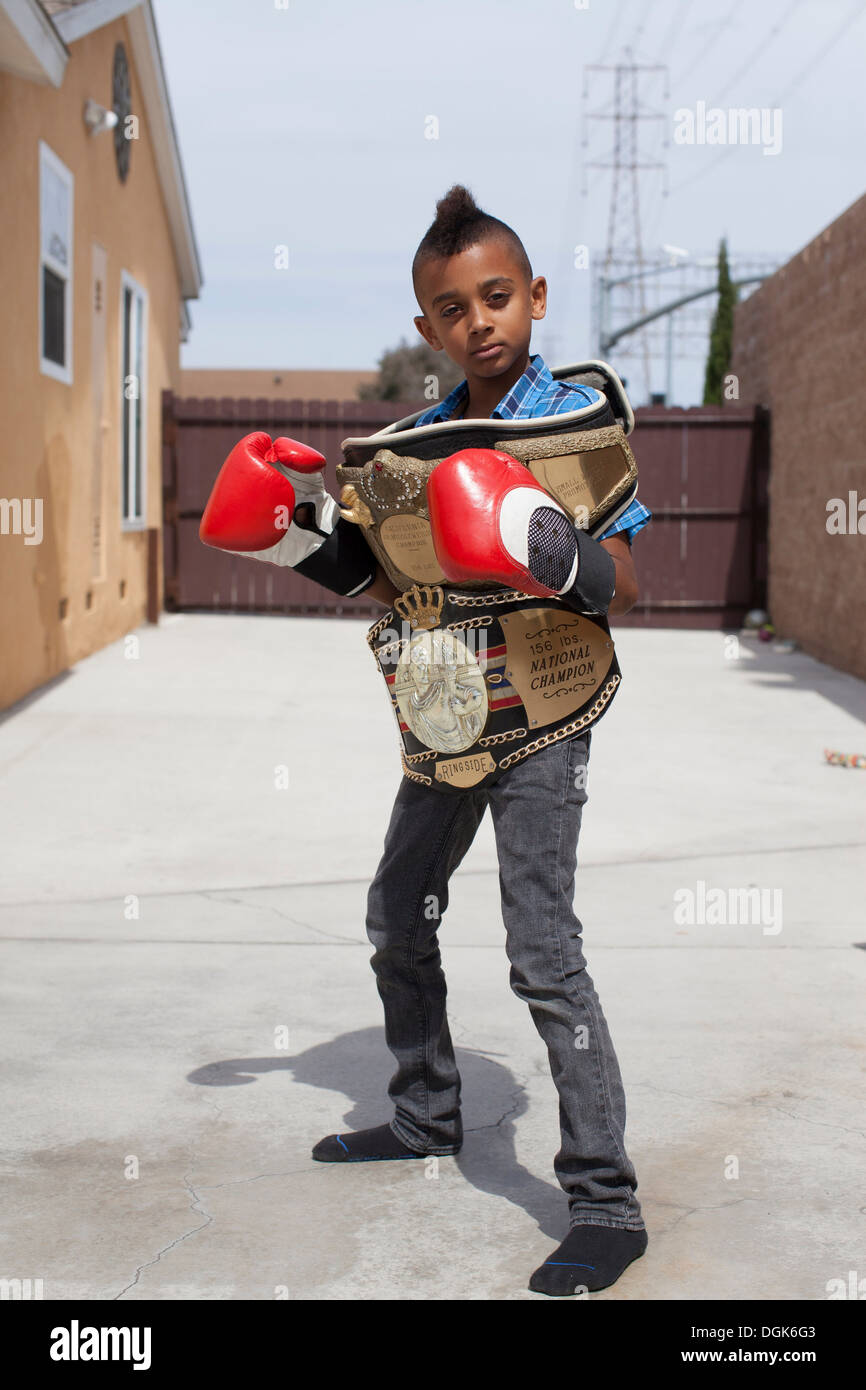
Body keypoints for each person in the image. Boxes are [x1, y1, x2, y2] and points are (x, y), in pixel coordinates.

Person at [199, 184, 652, 1297]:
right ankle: (424, 1112)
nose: (478, 322)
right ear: (426, 328)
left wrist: (542, 543)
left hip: (542, 717)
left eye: (496, 297)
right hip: (446, 717)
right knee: (398, 911)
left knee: (541, 953)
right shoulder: (411, 447)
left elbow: (628, 582)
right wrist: (297, 530)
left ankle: (605, 1200)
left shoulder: (572, 428)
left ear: (534, 297)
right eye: (451, 309)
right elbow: (374, 574)